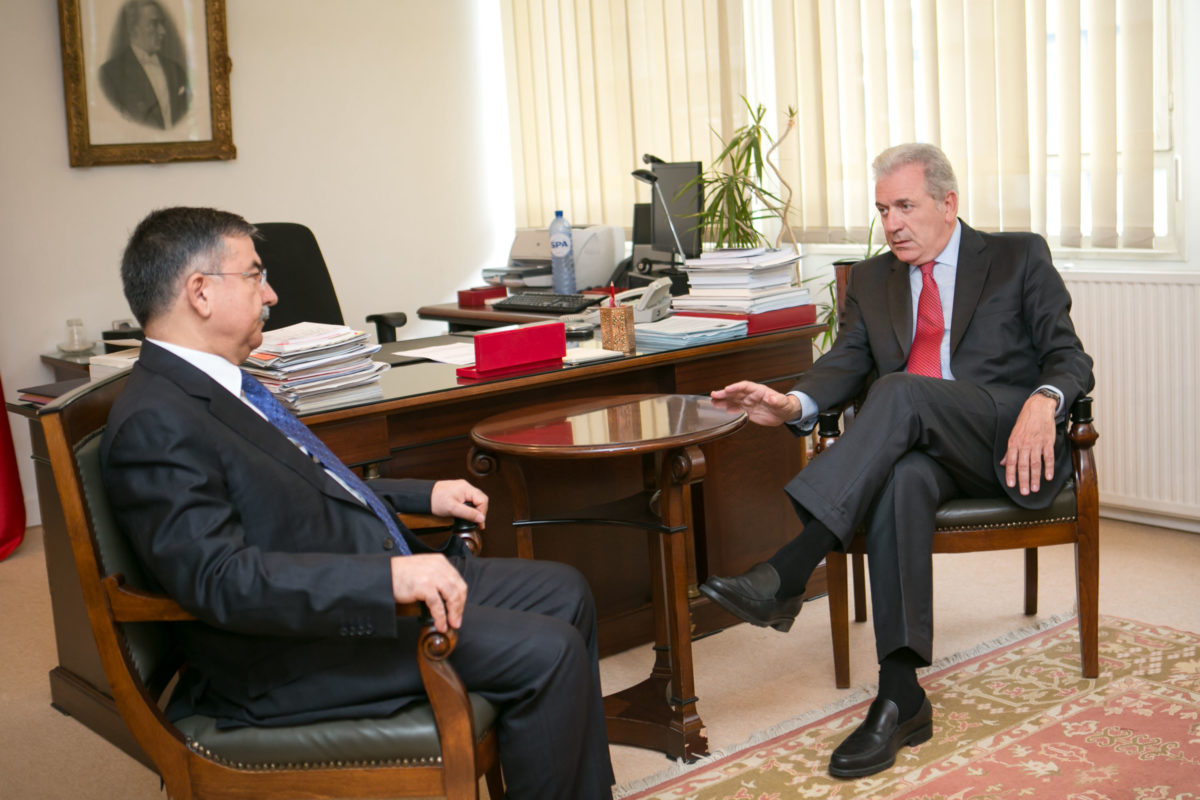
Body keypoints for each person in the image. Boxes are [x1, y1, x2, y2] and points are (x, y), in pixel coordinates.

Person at [100, 207, 614, 799]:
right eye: (255, 275)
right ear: (200, 292)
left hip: (348, 582)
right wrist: (387, 580)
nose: (270, 294)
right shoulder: (156, 421)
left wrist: (423, 494)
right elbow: (221, 580)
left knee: (565, 591)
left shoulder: (221, 382)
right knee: (548, 651)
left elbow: (311, 483)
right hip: (292, 652)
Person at [700, 143, 1093, 779]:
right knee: (901, 478)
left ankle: (790, 567)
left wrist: (1044, 401)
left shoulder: (1018, 256)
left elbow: (1069, 356)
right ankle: (900, 696)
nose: (892, 224)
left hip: (1001, 443)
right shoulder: (874, 279)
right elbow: (845, 362)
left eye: (905, 207)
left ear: (948, 203)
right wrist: (793, 402)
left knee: (900, 390)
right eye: (883, 210)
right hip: (921, 449)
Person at [99, 0, 190, 128]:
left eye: (162, 23)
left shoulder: (175, 70)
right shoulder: (110, 74)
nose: (162, 31)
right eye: (154, 23)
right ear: (133, 28)